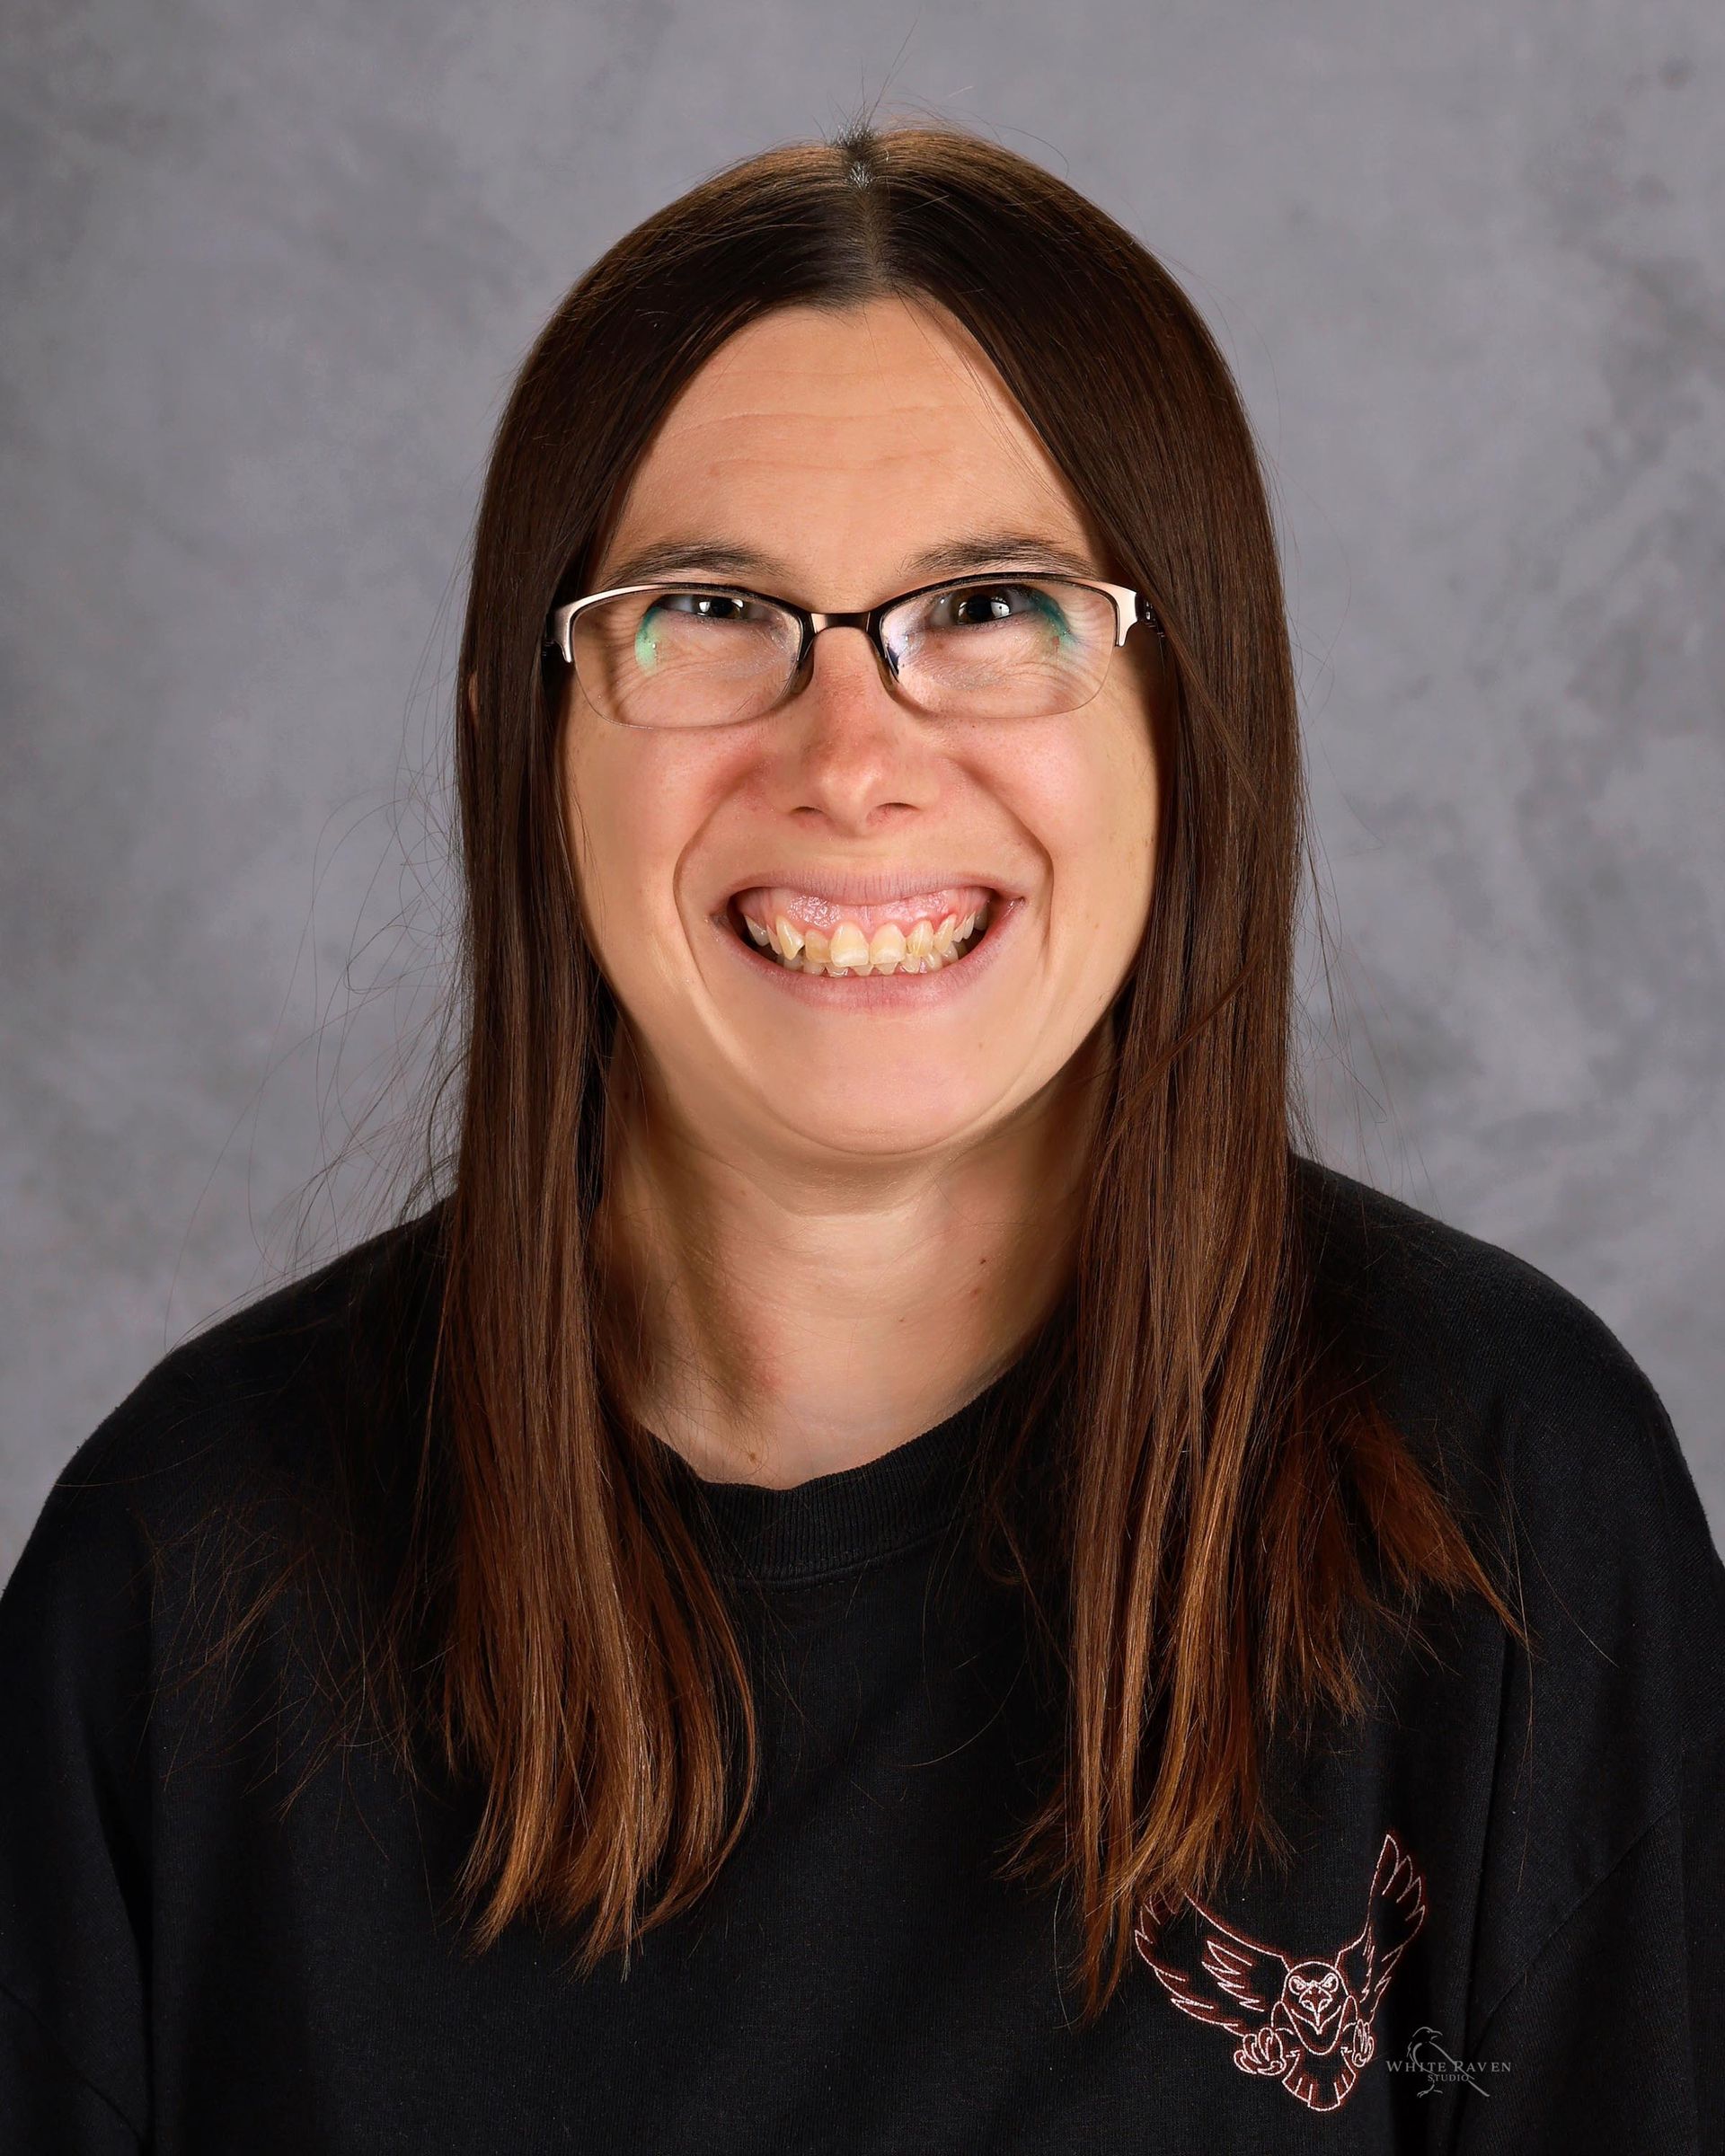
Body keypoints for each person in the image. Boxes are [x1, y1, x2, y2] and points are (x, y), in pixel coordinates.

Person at [2, 118, 1721, 2155]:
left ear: (1197, 723)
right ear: (518, 741)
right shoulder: (183, 1589)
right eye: (710, 607)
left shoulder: (1505, 1513)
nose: (854, 759)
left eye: (990, 605)